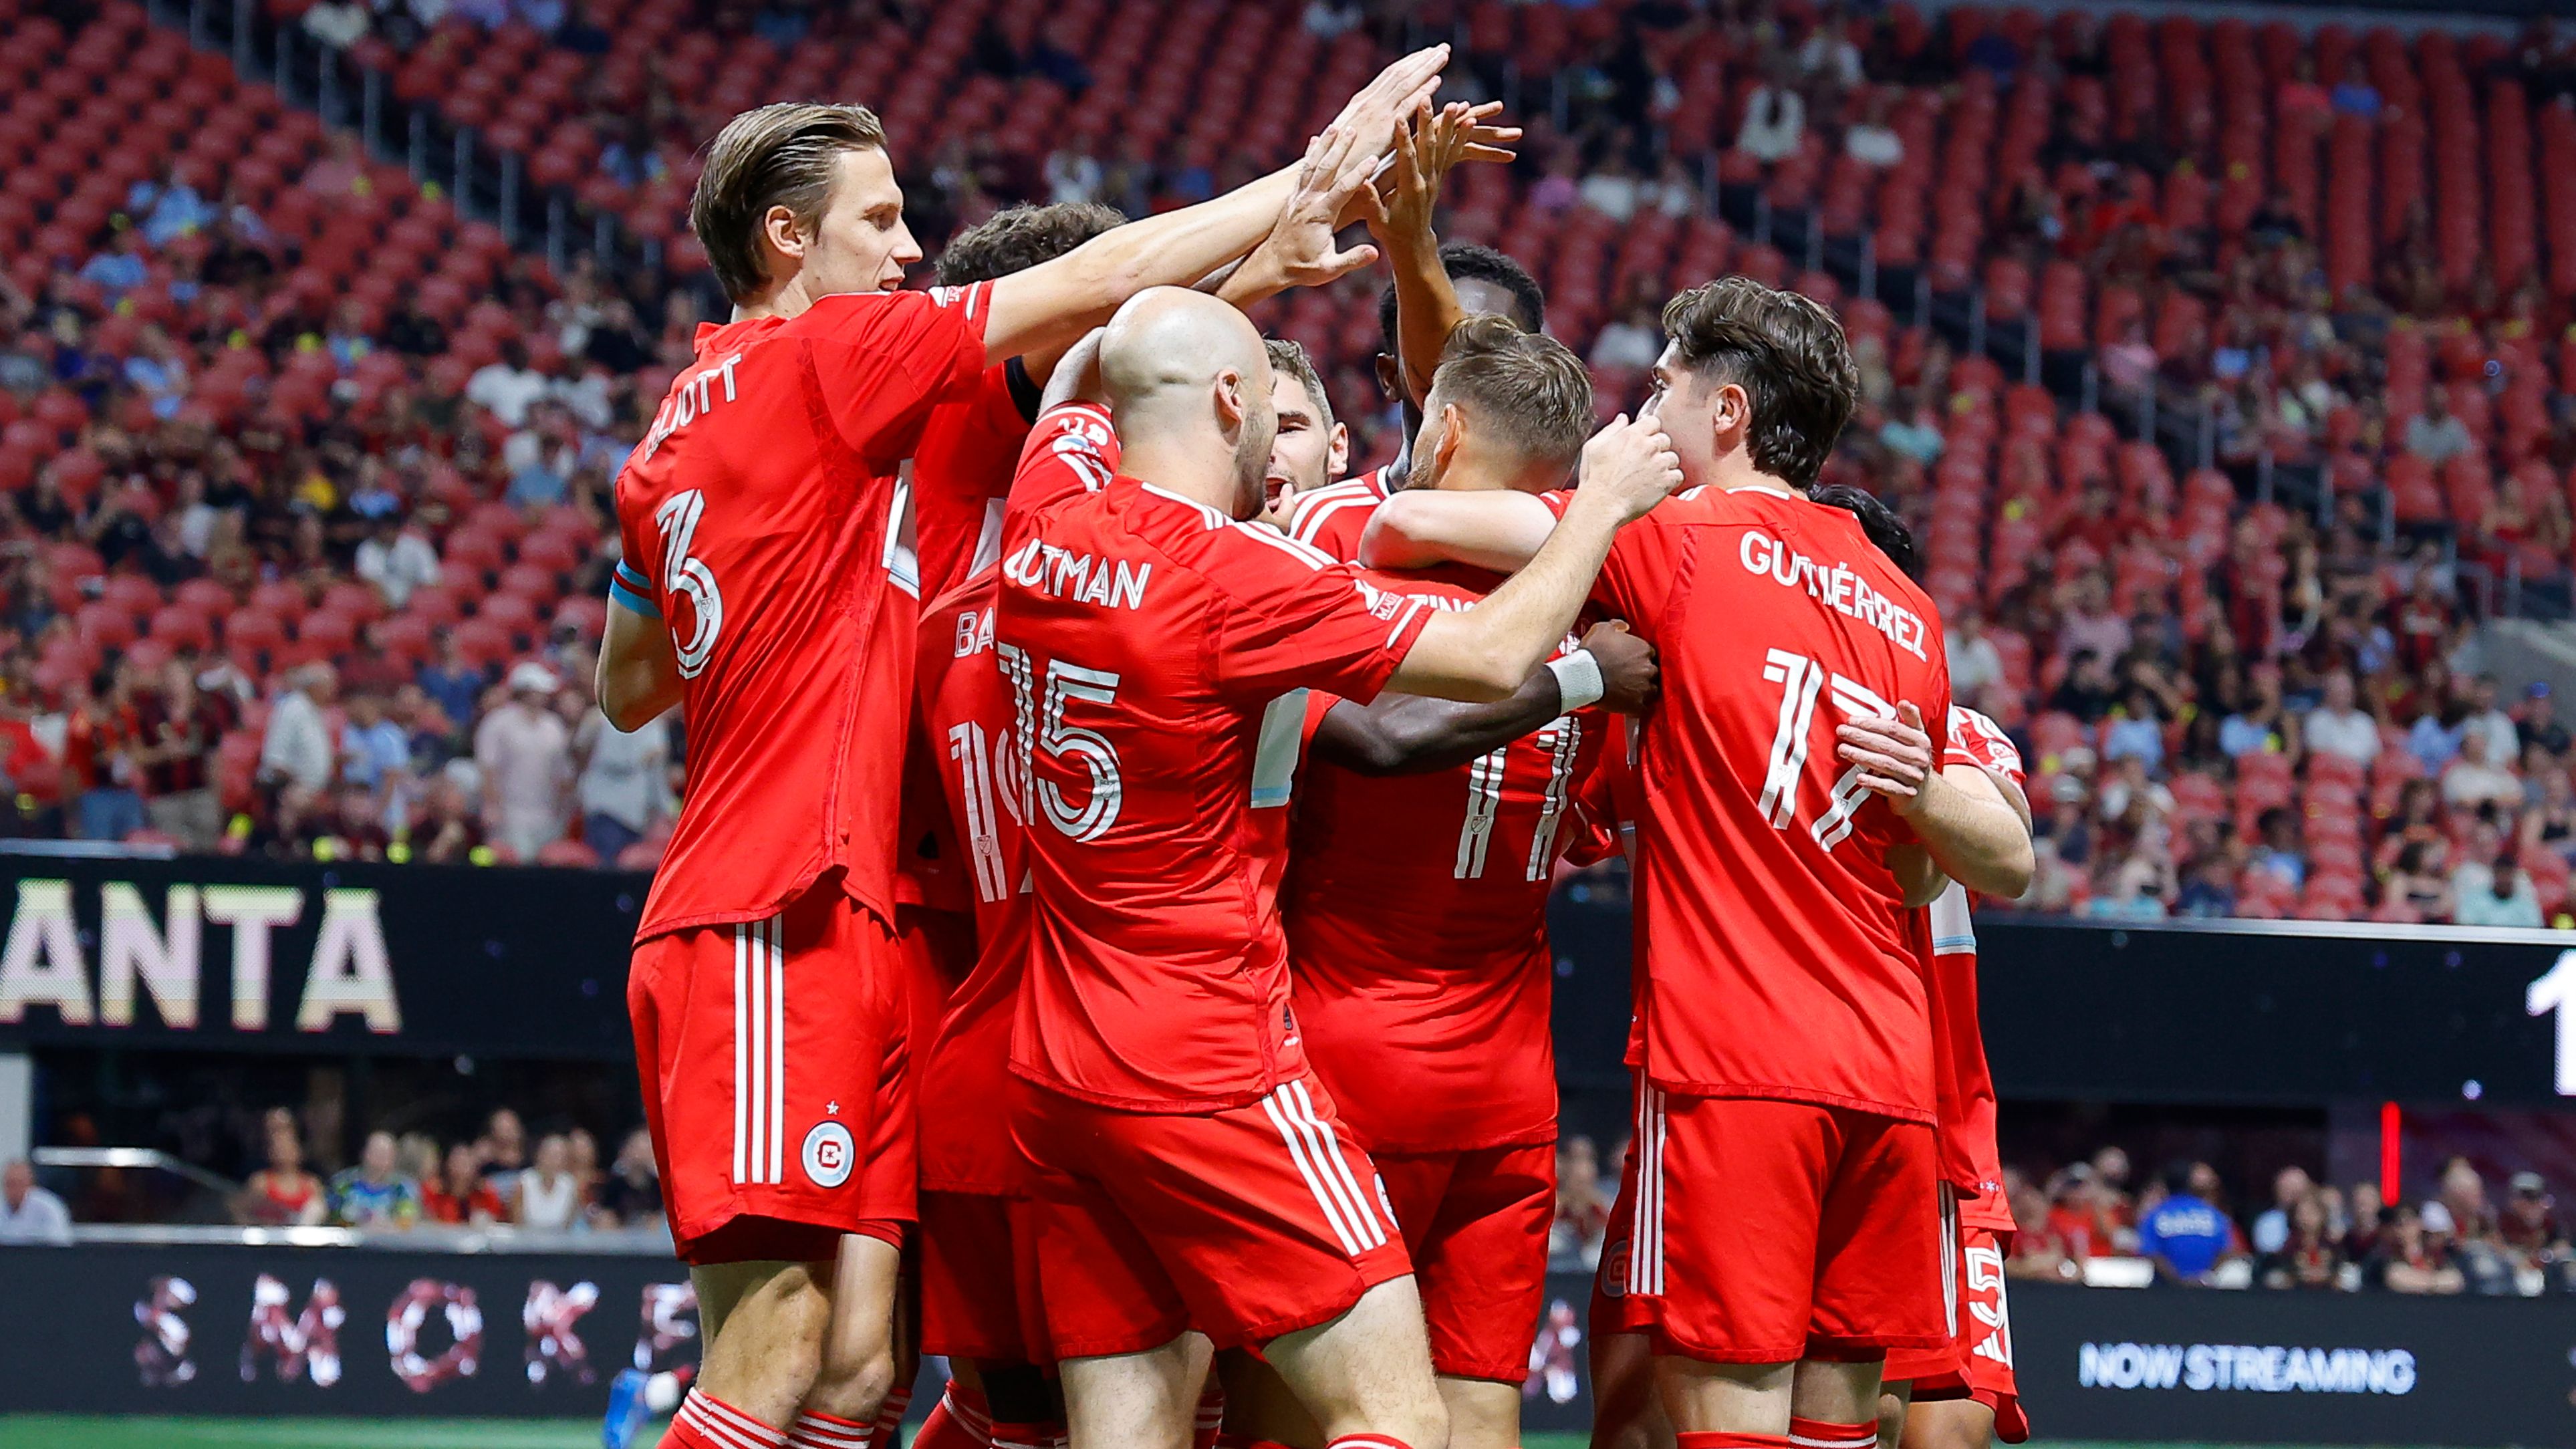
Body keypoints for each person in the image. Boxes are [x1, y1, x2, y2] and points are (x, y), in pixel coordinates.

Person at [594, 59, 1507, 1449]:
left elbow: (628, 683)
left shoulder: (697, 435)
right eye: (881, 220)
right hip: (831, 924)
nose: (906, 254)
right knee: (791, 1356)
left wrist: (782, 578)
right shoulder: (855, 376)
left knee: (859, 1370)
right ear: (788, 238)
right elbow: (1109, 297)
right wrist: (1311, 172)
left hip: (923, 953)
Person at [993, 285, 1682, 1449]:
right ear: (1226, 403)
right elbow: (1482, 655)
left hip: (1060, 1051)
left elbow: (1063, 387)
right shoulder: (1247, 574)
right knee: (1401, 1418)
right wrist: (1602, 512)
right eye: (1271, 402)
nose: (1285, 436)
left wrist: (1235, 266)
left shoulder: (1045, 508)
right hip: (1219, 1050)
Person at [1363, 277, 1954, 1449]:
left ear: (1724, 410)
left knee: (1719, 1423)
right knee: (1835, 1422)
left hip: (1739, 1060)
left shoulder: (1674, 542)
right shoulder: (1908, 606)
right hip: (1891, 1066)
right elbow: (1918, 868)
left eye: (1662, 388)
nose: (1643, 413)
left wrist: (1597, 495)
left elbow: (1410, 526)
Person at [1270, 316, 1652, 1449]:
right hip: (1504, 1081)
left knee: (1290, 1413)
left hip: (1334, 1056)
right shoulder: (1607, 587)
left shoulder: (1329, 531)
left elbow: (1352, 730)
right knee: (1477, 1410)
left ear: (1438, 429)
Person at [474, 661, 573, 861]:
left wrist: (562, 810)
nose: (544, 695)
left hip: (546, 813)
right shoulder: (497, 723)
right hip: (510, 813)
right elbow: (488, 768)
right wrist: (492, 806)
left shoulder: (553, 726)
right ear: (524, 692)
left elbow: (562, 772)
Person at [2137, 1162, 2237, 1284]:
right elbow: (2226, 1252)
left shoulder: (2155, 1216)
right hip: (2204, 1291)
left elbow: (2152, 1253)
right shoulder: (2214, 1215)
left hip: (2164, 1292)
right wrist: (2203, 1278)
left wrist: (2178, 1281)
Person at [236, 1107, 326, 1227]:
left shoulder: (312, 1185)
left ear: (299, 1150)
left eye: (287, 1147)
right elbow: (239, 1210)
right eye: (277, 1148)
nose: (282, 1151)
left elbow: (321, 1216)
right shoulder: (260, 1182)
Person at [328, 1130, 422, 1229]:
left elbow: (407, 1222)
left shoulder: (404, 1188)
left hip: (390, 1241)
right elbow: (331, 1217)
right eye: (375, 1152)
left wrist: (385, 1226)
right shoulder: (343, 1184)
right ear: (364, 1153)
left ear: (394, 1157)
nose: (380, 1159)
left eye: (385, 1154)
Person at [2302, 670, 2379, 766]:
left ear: (2353, 693)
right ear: (2328, 693)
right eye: (2337, 691)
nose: (2342, 696)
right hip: (2330, 774)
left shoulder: (2365, 721)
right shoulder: (2316, 720)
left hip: (2363, 775)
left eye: (2346, 691)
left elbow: (2376, 756)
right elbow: (2315, 754)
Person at [422, 1143, 506, 1226]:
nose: (461, 1167)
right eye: (457, 1162)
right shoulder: (434, 1190)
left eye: (466, 1162)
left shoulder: (485, 1192)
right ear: (447, 1164)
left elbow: (498, 1222)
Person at [517, 1134, 584, 1230]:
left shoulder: (570, 1185)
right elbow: (518, 1224)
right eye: (552, 1155)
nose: (556, 1161)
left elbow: (570, 1224)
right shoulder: (524, 1182)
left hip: (560, 1242)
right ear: (540, 1155)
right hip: (528, 1241)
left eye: (561, 1157)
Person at [0, 1158, 72, 1245]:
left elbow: (60, 1245)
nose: (14, 1189)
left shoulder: (49, 1208)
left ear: (30, 1184)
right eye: (9, 1184)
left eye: (19, 1183)